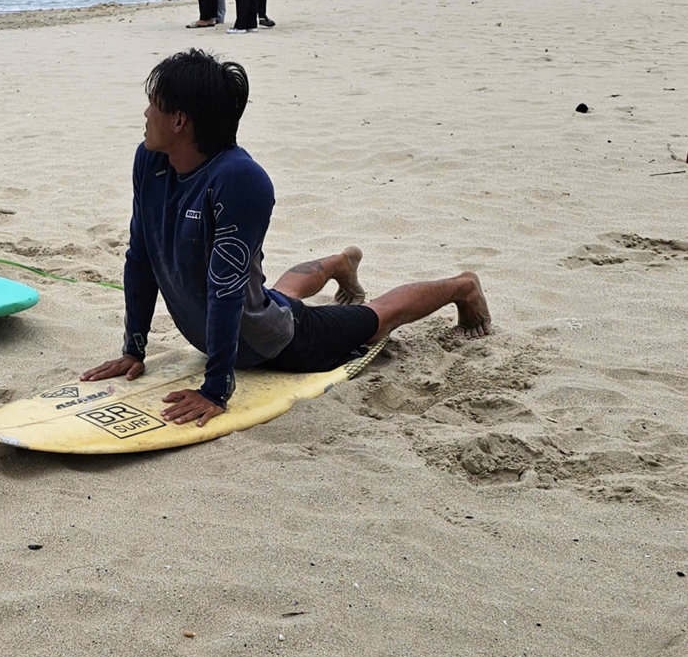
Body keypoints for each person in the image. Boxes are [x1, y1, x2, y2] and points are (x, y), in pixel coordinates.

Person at [81, 49, 493, 427]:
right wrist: (133, 349)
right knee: (267, 296)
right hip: (232, 323)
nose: (146, 112)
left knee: (375, 319)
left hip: (274, 344)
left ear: (179, 120)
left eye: (154, 103)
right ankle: (337, 265)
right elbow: (141, 258)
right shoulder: (151, 160)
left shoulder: (239, 181)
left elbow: (225, 291)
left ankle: (462, 286)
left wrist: (216, 390)